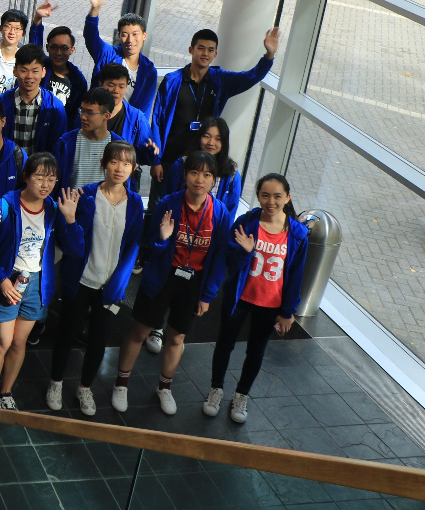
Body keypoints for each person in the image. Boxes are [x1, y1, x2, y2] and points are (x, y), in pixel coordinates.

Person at [112, 151, 234, 415]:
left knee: (177, 337)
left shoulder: (220, 213)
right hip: (162, 277)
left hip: (193, 282)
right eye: (194, 172)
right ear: (185, 175)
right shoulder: (169, 203)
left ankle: (164, 388)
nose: (199, 179)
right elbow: (149, 246)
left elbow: (219, 259)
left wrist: (207, 296)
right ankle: (121, 383)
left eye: (206, 175)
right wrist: (162, 239)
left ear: (214, 180)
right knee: (140, 331)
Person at [0, 154, 80, 410]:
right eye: (39, 177)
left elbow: (75, 250)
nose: (45, 184)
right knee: (2, 342)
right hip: (7, 280)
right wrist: (1, 279)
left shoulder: (53, 208)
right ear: (26, 177)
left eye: (51, 179)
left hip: (37, 283)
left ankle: (7, 392)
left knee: (19, 343)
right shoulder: (5, 205)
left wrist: (70, 220)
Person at [203, 174, 308, 425]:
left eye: (277, 196)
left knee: (256, 350)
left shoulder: (297, 235)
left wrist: (288, 311)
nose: (271, 201)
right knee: (225, 343)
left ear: (287, 198)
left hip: (270, 304)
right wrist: (246, 252)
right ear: (258, 196)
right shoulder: (246, 223)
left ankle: (241, 394)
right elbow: (231, 262)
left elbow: (296, 275)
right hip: (240, 297)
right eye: (265, 195)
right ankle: (216, 389)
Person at [48, 142, 144, 416]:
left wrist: (119, 284)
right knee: (67, 334)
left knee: (99, 341)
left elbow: (132, 247)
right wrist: (69, 221)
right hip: (81, 280)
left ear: (134, 168)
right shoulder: (86, 195)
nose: (119, 168)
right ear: (104, 163)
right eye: (114, 162)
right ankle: (55, 383)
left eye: (126, 163)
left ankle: (85, 387)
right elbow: (72, 246)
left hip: (110, 286)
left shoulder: (135, 203)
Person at [150, 26, 279, 191]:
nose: (205, 53)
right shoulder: (172, 81)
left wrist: (269, 56)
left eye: (210, 50)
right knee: (162, 203)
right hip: (169, 159)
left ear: (215, 54)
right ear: (191, 50)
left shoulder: (220, 80)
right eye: (201, 48)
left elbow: (250, 77)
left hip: (201, 164)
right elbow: (157, 121)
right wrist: (156, 160)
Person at [83, 0, 157, 118]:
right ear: (118, 36)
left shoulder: (148, 71)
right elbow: (91, 37)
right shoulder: (108, 55)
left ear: (144, 35)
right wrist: (95, 9)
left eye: (135, 34)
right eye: (125, 34)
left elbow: (144, 111)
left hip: (125, 126)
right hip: (97, 121)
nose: (130, 40)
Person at [164, 117, 243, 214]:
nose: (211, 143)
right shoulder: (181, 164)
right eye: (206, 136)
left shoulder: (231, 171)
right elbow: (169, 199)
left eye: (218, 139)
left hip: (214, 222)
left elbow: (231, 210)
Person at [0, 45, 67, 154]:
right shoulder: (1, 104)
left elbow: (58, 147)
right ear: (15, 71)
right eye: (24, 70)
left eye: (35, 71)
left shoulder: (55, 107)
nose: (29, 76)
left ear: (43, 72)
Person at [29, 2, 88, 128]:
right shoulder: (41, 67)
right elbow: (34, 48)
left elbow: (76, 113)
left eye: (64, 48)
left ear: (72, 50)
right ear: (47, 47)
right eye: (54, 47)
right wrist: (38, 19)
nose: (59, 53)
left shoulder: (78, 80)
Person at [95, 63, 159, 174]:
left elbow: (144, 156)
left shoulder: (136, 118)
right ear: (101, 84)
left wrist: (150, 151)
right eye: (111, 85)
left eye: (121, 86)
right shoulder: (89, 111)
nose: (116, 90)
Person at [53, 88, 115, 192]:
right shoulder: (66, 143)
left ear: (106, 116)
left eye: (90, 113)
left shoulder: (117, 145)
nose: (83, 117)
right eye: (82, 111)